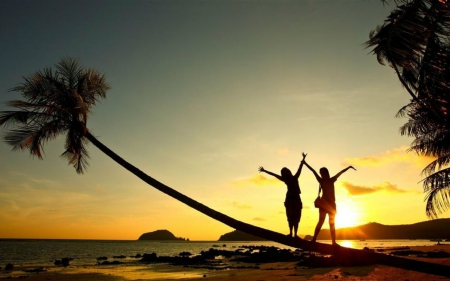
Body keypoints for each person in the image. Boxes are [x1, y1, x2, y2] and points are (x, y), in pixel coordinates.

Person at [303, 161, 356, 245]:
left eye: (323, 173)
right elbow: (313, 171)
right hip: (323, 204)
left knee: (332, 223)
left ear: (327, 173)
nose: (322, 175)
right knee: (321, 221)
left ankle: (333, 242)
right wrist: (305, 163)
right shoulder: (321, 181)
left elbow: (340, 173)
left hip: (331, 205)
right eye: (321, 173)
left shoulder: (332, 179)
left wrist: (348, 167)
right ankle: (314, 239)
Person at [258, 153, 307, 238]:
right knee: (290, 216)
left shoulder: (295, 177)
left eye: (285, 172)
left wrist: (303, 159)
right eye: (283, 173)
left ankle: (295, 234)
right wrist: (264, 170)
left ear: (288, 172)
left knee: (297, 216)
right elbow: (274, 174)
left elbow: (300, 168)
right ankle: (291, 233)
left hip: (296, 199)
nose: (284, 174)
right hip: (289, 200)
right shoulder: (285, 179)